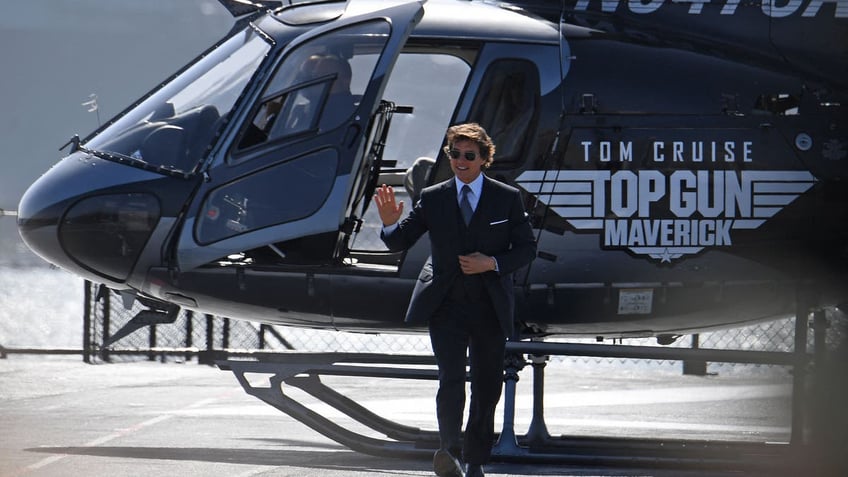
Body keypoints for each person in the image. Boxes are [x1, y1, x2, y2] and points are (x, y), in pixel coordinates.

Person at [374, 123, 537, 477]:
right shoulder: (433, 197)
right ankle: (449, 453)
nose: (460, 161)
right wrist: (388, 225)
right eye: (454, 154)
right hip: (446, 304)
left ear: (483, 159)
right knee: (450, 379)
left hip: (489, 306)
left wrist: (491, 264)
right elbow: (400, 239)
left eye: (468, 155)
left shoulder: (506, 197)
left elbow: (527, 248)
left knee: (486, 384)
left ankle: (475, 460)